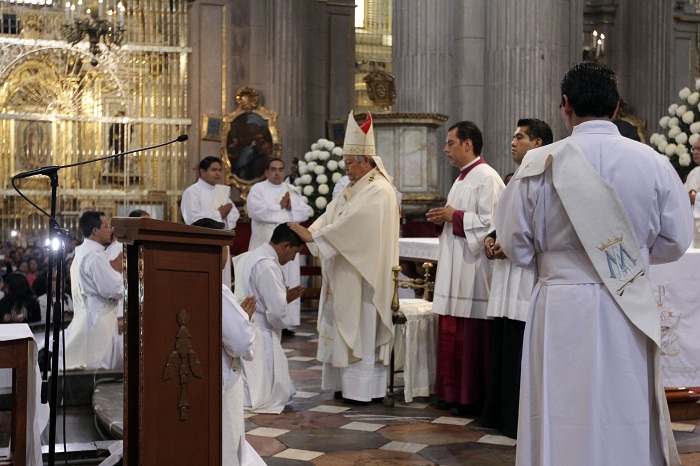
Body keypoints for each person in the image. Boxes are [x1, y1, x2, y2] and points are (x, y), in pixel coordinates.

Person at [496, 61, 692, 466]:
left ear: (565, 105)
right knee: (624, 408)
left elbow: (514, 245)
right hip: (627, 302)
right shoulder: (653, 163)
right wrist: (629, 258)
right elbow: (676, 242)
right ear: (617, 107)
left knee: (558, 408)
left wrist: (557, 262)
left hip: (559, 306)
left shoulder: (536, 167)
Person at [289, 111, 400, 403]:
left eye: (350, 163)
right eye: (345, 163)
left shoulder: (379, 191)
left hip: (363, 276)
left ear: (366, 162)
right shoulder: (353, 189)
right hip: (345, 270)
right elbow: (329, 217)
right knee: (342, 323)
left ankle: (362, 389)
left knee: (359, 326)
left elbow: (355, 225)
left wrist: (315, 237)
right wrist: (311, 232)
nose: (346, 169)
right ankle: (343, 383)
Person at [481, 118, 553, 438]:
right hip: (508, 278)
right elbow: (506, 220)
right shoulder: (518, 178)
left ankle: (517, 420)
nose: (513, 142)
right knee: (506, 347)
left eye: (520, 137)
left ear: (538, 143)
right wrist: (491, 239)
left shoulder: (547, 177)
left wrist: (507, 246)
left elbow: (541, 227)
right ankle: (499, 414)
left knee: (521, 350)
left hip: (528, 276)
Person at [426, 121, 504, 415]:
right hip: (456, 267)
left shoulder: (488, 178)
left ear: (467, 144)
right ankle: (450, 392)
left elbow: (492, 224)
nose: (446, 149)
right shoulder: (461, 179)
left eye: (450, 143)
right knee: (451, 332)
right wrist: (443, 220)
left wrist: (454, 216)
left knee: (469, 336)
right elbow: (460, 219)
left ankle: (470, 395)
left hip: (475, 272)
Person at [240, 224, 305, 413]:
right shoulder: (267, 264)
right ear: (285, 245)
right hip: (263, 332)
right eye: (295, 252)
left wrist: (283, 298)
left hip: (255, 327)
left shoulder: (258, 254)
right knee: (268, 395)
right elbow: (276, 312)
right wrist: (283, 306)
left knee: (267, 387)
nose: (293, 258)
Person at [246, 157, 313, 331]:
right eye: (273, 169)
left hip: (288, 245)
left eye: (280, 169)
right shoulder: (257, 189)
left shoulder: (291, 189)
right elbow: (255, 211)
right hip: (267, 243)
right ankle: (261, 316)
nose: (277, 173)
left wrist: (291, 207)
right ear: (267, 172)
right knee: (265, 280)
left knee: (288, 278)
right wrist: (279, 206)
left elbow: (306, 212)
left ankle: (288, 322)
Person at [63, 211, 124, 370]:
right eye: (106, 226)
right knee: (101, 367)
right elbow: (114, 289)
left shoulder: (82, 251)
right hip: (100, 319)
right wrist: (118, 271)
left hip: (89, 315)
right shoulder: (94, 256)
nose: (110, 230)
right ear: (95, 231)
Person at [181, 156, 239, 288]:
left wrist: (222, 215)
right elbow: (192, 219)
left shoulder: (221, 192)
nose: (218, 173)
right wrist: (219, 214)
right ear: (202, 172)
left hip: (222, 242)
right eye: (213, 170)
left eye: (219, 170)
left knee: (223, 284)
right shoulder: (192, 192)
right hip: (202, 243)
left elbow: (234, 215)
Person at [684, 139, 700, 218]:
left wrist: (696, 199)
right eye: (694, 149)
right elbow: (682, 193)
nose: (695, 152)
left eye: (699, 149)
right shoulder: (694, 172)